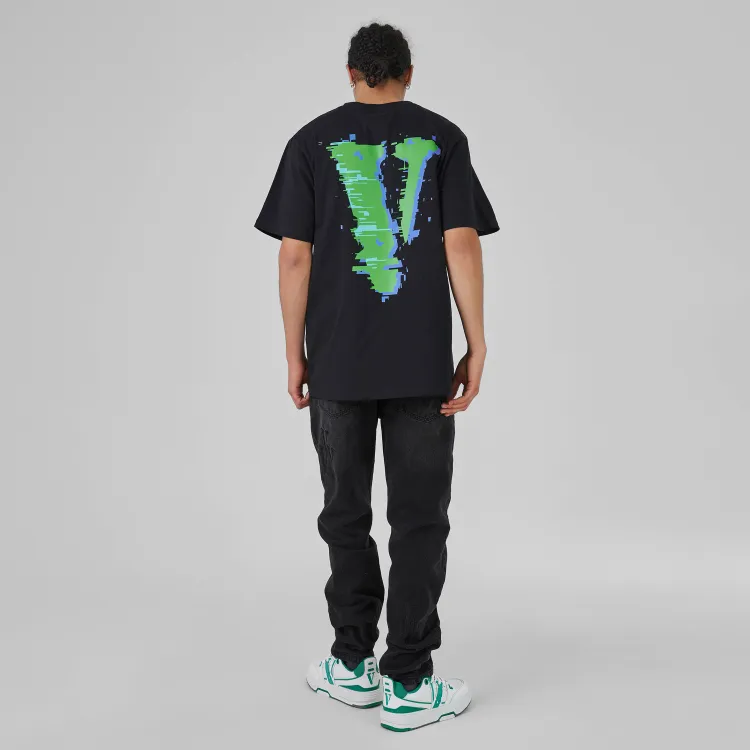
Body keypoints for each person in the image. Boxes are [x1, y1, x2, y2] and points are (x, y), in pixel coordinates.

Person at [255, 22, 498, 732]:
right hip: (420, 363)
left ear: (351, 72)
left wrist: (295, 352)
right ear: (408, 73)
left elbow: (293, 256)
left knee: (345, 515)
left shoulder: (309, 142)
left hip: (337, 363)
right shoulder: (444, 137)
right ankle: (410, 682)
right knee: (419, 519)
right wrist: (476, 342)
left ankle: (353, 663)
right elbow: (460, 243)